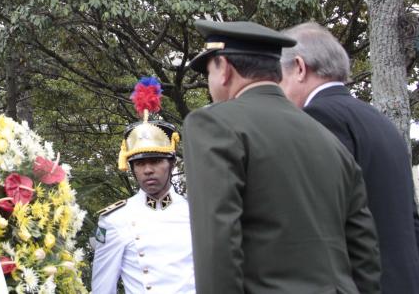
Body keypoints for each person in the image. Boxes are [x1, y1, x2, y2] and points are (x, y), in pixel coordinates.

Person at [184, 20, 381, 293]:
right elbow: (364, 250)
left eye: (208, 71)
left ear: (224, 69)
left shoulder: (214, 124)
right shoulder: (327, 139)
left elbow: (217, 241)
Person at [280, 22, 419, 293]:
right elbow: (409, 217)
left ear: (299, 67)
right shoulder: (378, 120)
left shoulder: (318, 119)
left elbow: (324, 221)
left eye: (279, 78)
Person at [91, 77, 195, 293]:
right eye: (139, 163)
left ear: (172, 164)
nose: (148, 169)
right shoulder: (115, 219)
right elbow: (103, 287)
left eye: (156, 161)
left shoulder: (196, 212)